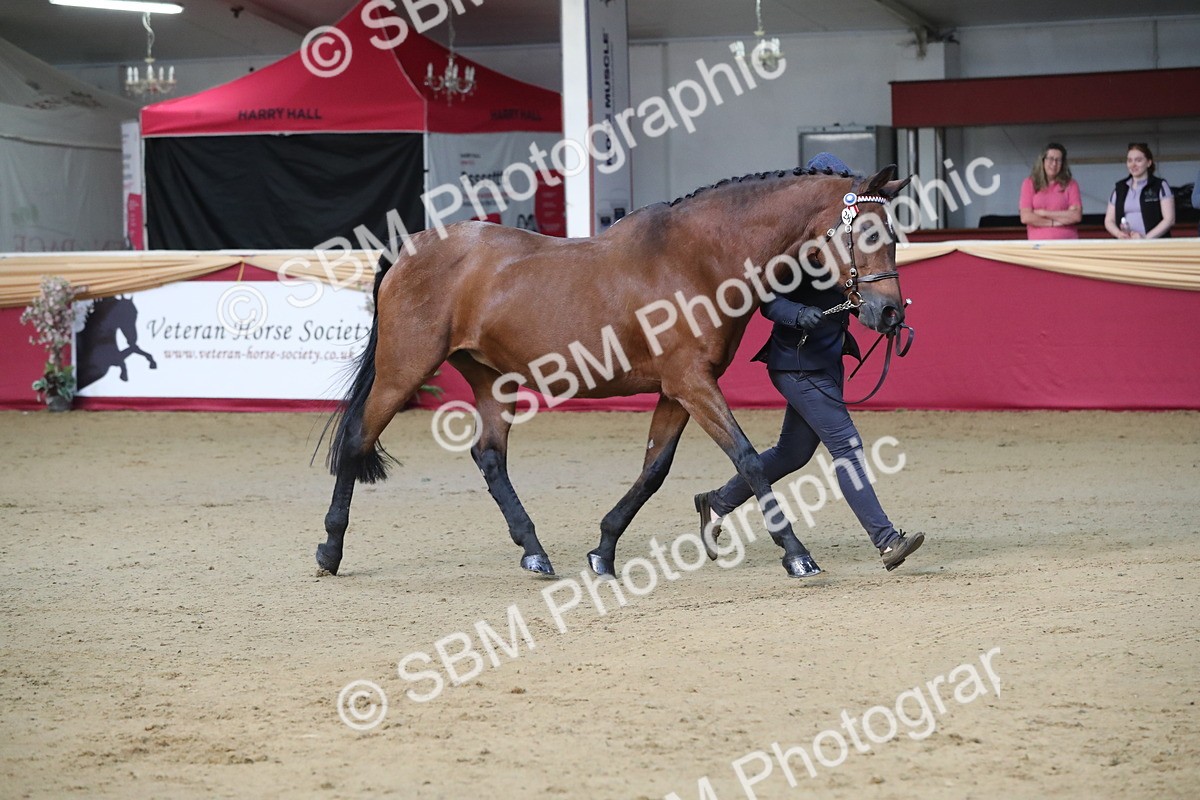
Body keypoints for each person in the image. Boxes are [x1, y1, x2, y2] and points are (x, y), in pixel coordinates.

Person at [693, 153, 923, 574]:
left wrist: (882, 315)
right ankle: (886, 539)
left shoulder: (841, 240)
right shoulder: (794, 249)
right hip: (796, 364)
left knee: (792, 453)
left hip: (826, 359)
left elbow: (853, 291)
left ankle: (717, 502)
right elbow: (765, 299)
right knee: (846, 447)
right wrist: (796, 314)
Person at [1105, 143, 1175, 239]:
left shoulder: (1160, 185)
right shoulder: (1120, 188)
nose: (1133, 164)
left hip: (1154, 245)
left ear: (1149, 162)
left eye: (1138, 160)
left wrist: (1145, 239)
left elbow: (1169, 219)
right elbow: (1109, 220)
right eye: (1130, 160)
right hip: (1126, 245)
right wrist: (1118, 234)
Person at [1019, 143, 1082, 239]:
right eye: (1051, 159)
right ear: (1043, 160)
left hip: (1067, 243)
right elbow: (1026, 217)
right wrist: (1054, 223)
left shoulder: (1071, 184)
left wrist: (1044, 213)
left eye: (1058, 160)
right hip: (1039, 245)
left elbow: (1076, 216)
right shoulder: (1029, 183)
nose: (1054, 164)